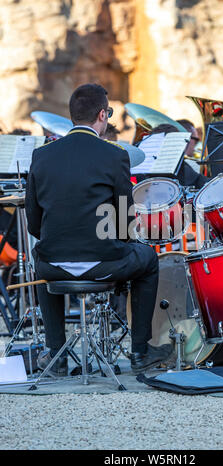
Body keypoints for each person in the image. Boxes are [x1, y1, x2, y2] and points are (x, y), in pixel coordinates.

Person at [25, 83, 172, 376]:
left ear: (72, 116)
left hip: (54, 266)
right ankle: (140, 352)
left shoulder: (42, 156)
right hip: (104, 262)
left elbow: (33, 223)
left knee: (39, 258)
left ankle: (57, 356)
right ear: (102, 115)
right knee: (149, 259)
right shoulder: (114, 154)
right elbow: (123, 224)